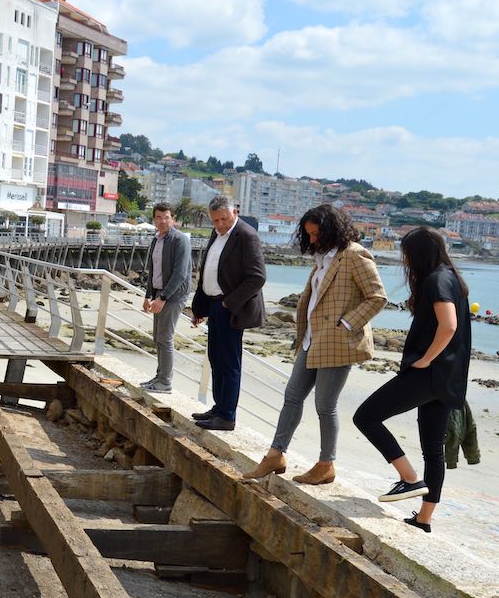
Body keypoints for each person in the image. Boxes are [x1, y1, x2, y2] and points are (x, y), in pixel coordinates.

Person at [243, 205, 386, 484]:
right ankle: (275, 455)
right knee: (292, 396)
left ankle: (326, 464)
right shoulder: (322, 258)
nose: (312, 240)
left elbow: (378, 297)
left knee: (325, 406)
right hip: (311, 339)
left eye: (316, 234)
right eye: (308, 235)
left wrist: (346, 324)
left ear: (332, 230)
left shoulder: (354, 255)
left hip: (337, 342)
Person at [353, 227, 472, 532]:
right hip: (448, 379)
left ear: (417, 254)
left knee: (365, 417)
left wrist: (426, 359)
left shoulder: (436, 280)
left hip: (428, 374)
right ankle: (424, 519)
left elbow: (449, 325)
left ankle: (408, 478)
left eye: (406, 255)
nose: (404, 261)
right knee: (434, 451)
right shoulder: (451, 277)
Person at [189, 195, 266, 430]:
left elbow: (257, 277)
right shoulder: (217, 233)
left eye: (224, 219)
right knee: (216, 359)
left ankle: (227, 416)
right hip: (214, 305)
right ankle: (219, 407)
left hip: (230, 308)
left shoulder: (246, 235)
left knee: (229, 362)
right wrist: (200, 308)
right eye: (215, 221)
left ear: (235, 212)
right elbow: (209, 272)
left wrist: (228, 304)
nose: (220, 224)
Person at [140, 203, 192, 393]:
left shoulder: (180, 240)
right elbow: (153, 270)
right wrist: (148, 296)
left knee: (165, 337)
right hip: (159, 293)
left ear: (173, 219)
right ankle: (159, 377)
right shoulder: (156, 239)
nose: (162, 221)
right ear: (154, 219)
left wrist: (162, 297)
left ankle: (165, 382)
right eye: (158, 217)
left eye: (166, 217)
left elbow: (180, 274)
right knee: (157, 337)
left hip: (174, 295)